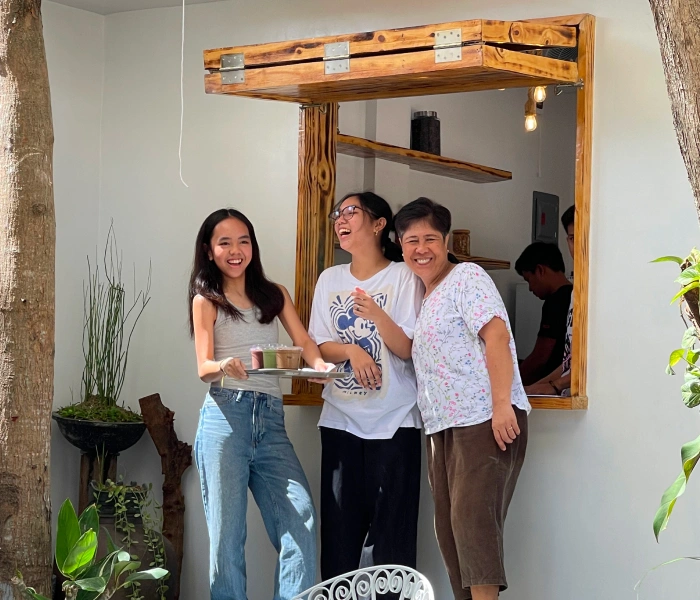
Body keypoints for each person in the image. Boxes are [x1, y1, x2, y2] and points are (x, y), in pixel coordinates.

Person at [189, 208, 332, 600]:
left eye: (244, 241)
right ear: (209, 249)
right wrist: (223, 365)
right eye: (225, 242)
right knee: (227, 540)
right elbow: (203, 366)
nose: (236, 251)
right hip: (225, 418)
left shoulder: (275, 294)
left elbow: (304, 342)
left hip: (270, 421)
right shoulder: (207, 300)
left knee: (300, 520)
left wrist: (318, 364)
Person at [394, 197, 530, 600]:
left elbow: (496, 336)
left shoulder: (467, 277)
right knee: (451, 537)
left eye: (430, 238)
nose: (422, 248)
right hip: (442, 428)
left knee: (474, 529)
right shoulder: (425, 295)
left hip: (484, 421)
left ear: (447, 240)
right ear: (400, 246)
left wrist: (502, 404)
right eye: (412, 240)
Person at [308, 191, 424, 580]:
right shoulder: (330, 279)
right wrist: (353, 350)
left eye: (351, 212)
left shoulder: (404, 276)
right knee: (339, 539)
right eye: (337, 213)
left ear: (378, 224)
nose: (341, 219)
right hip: (340, 421)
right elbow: (318, 346)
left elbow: (408, 348)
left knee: (393, 543)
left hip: (395, 423)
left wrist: (375, 313)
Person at [525, 205, 575, 396]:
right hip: (566, 394)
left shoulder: (598, 290)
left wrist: (554, 385)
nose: (576, 244)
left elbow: (540, 357)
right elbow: (570, 362)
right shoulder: (574, 292)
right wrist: (534, 388)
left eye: (529, 280)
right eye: (571, 238)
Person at [514, 241, 573, 386]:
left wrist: (514, 385)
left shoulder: (555, 302)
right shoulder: (573, 295)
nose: (529, 288)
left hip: (549, 385)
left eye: (529, 280)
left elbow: (540, 358)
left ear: (540, 270)